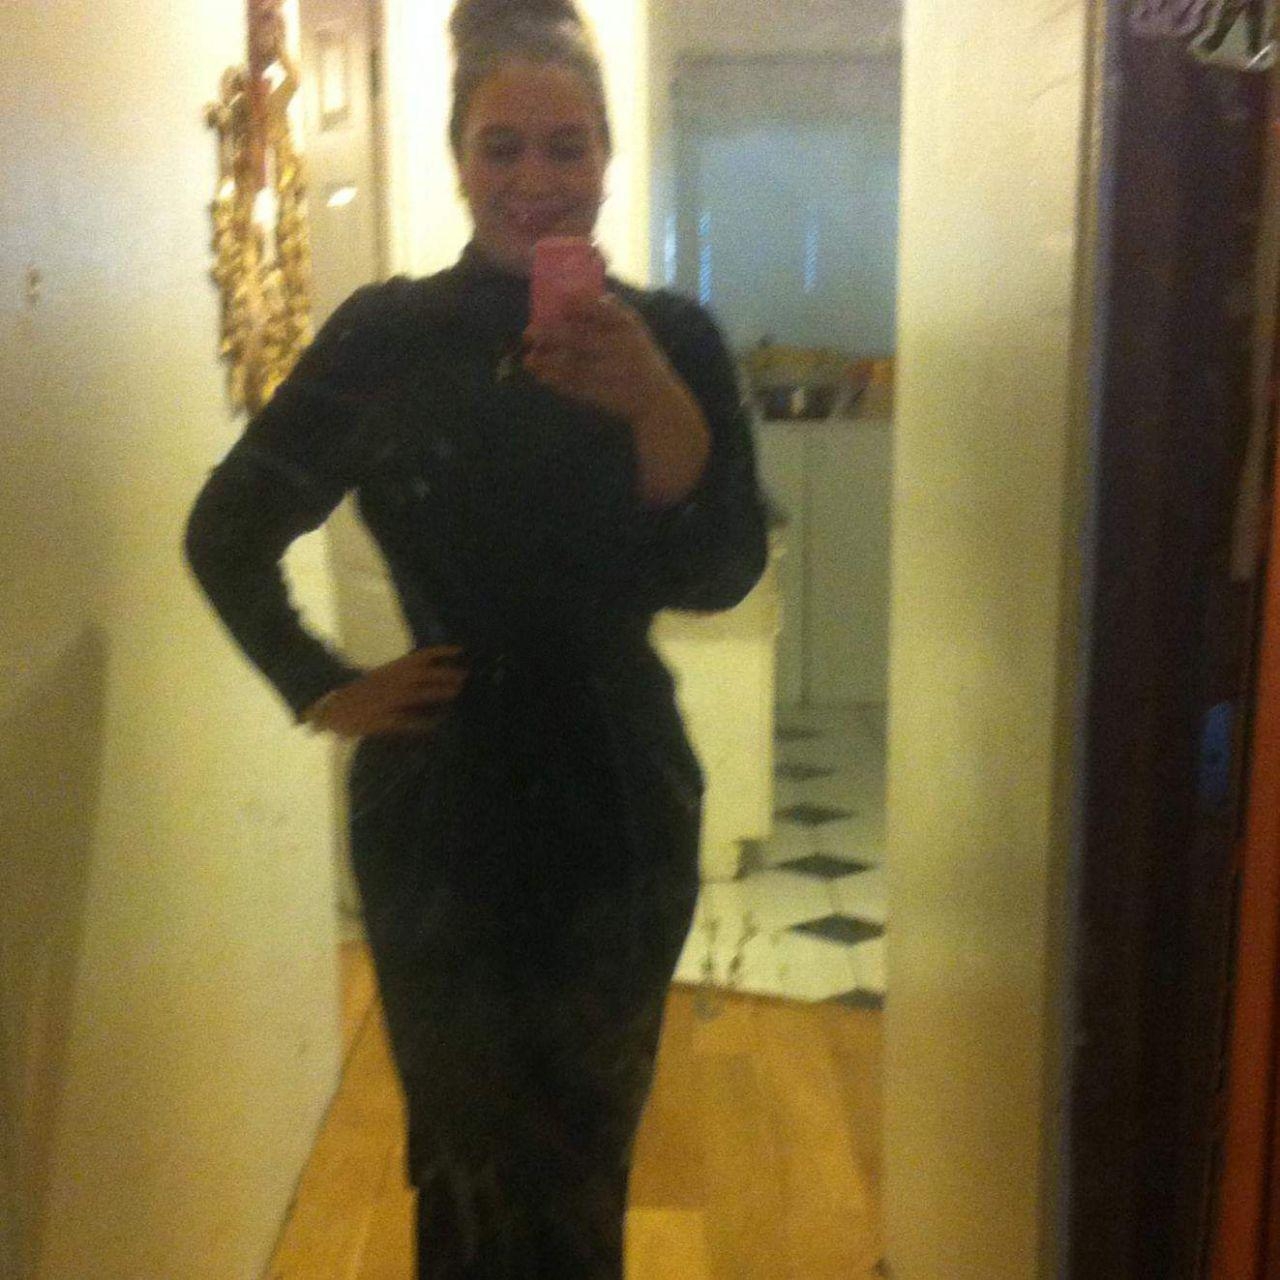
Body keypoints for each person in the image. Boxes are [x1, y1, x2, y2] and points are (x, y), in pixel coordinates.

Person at [183, 0, 768, 1273]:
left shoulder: (672, 339)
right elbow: (225, 529)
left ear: (606, 155)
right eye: (501, 146)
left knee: (582, 1155)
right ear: (458, 160)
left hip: (617, 797)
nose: (534, 179)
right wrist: (319, 683)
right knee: (462, 1150)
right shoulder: (388, 338)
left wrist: (656, 407)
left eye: (567, 145)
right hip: (439, 807)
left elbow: (721, 572)